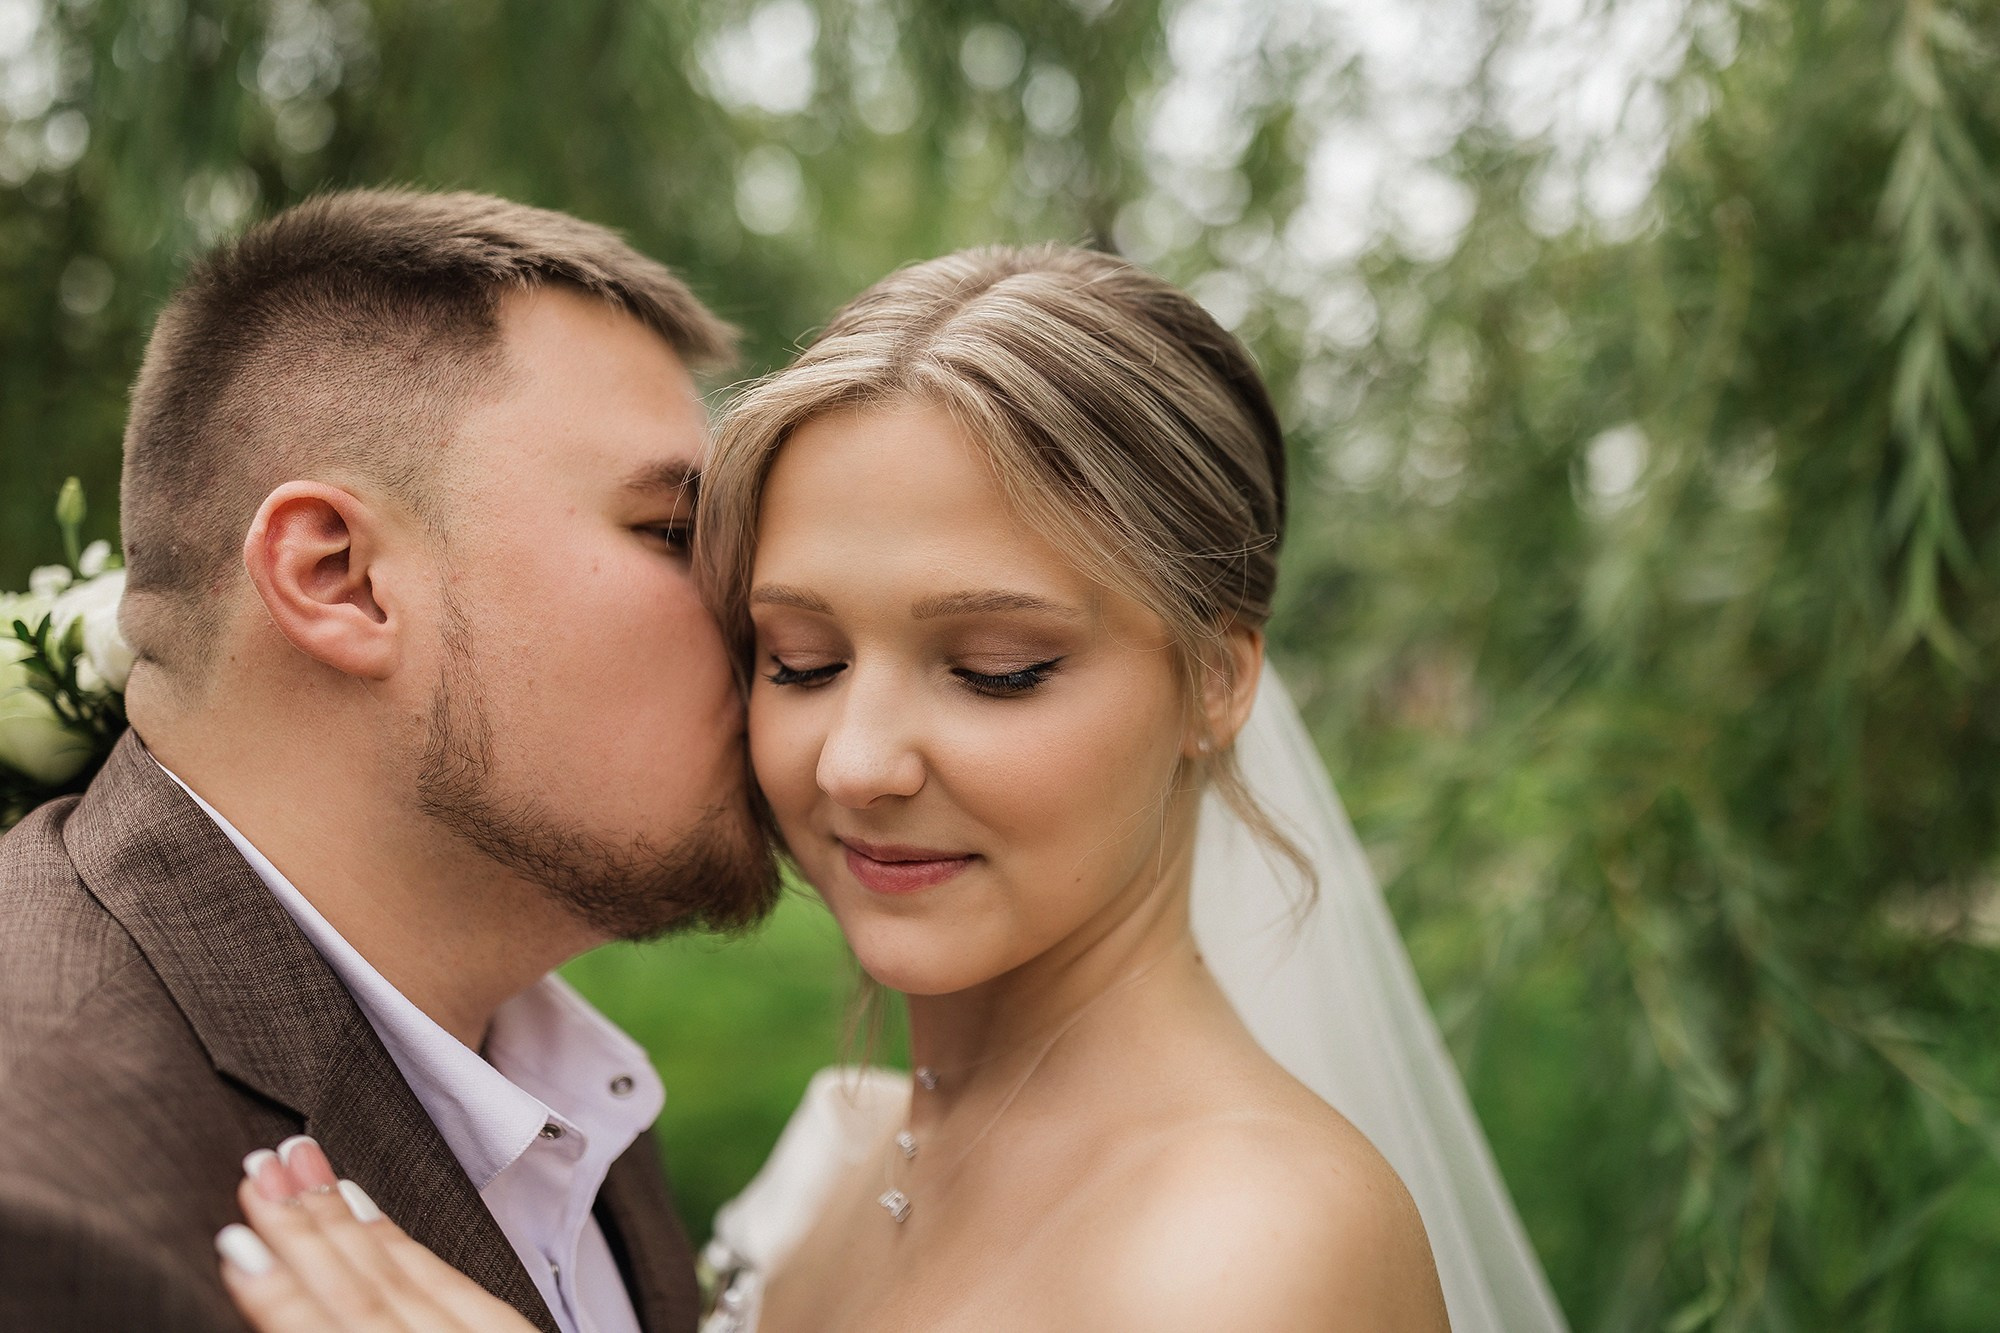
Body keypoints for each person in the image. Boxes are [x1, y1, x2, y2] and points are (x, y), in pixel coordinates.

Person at [208, 245, 1571, 1331]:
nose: (857, 762)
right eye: (800, 659)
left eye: (995, 668)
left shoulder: (1251, 1249)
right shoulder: (856, 1143)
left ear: (1217, 681)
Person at [0, 189, 779, 1332]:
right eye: (672, 532)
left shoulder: (550, 1074)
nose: (764, 616)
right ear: (338, 577)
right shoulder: (43, 1213)